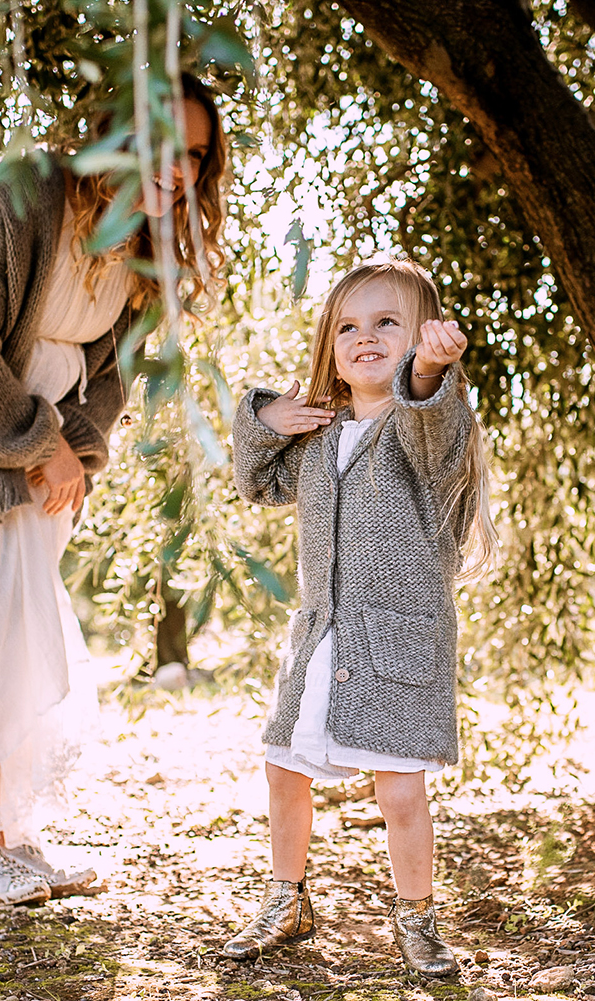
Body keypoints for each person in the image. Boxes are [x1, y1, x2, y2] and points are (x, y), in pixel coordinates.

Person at [0, 75, 228, 909]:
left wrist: (74, 453)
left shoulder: (144, 250)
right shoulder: (24, 195)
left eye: (196, 156)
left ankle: (1, 839)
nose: (177, 171)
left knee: (10, 637)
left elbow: (108, 380)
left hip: (31, 468)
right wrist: (36, 442)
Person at [223, 259, 496, 976]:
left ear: (420, 338)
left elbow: (434, 426)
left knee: (399, 788)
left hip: (396, 644)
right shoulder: (317, 436)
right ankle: (287, 897)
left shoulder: (424, 433)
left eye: (387, 322)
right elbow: (257, 481)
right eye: (347, 325)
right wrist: (264, 418)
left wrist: (431, 373)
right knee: (285, 768)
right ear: (328, 344)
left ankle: (418, 918)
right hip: (321, 637)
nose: (364, 337)